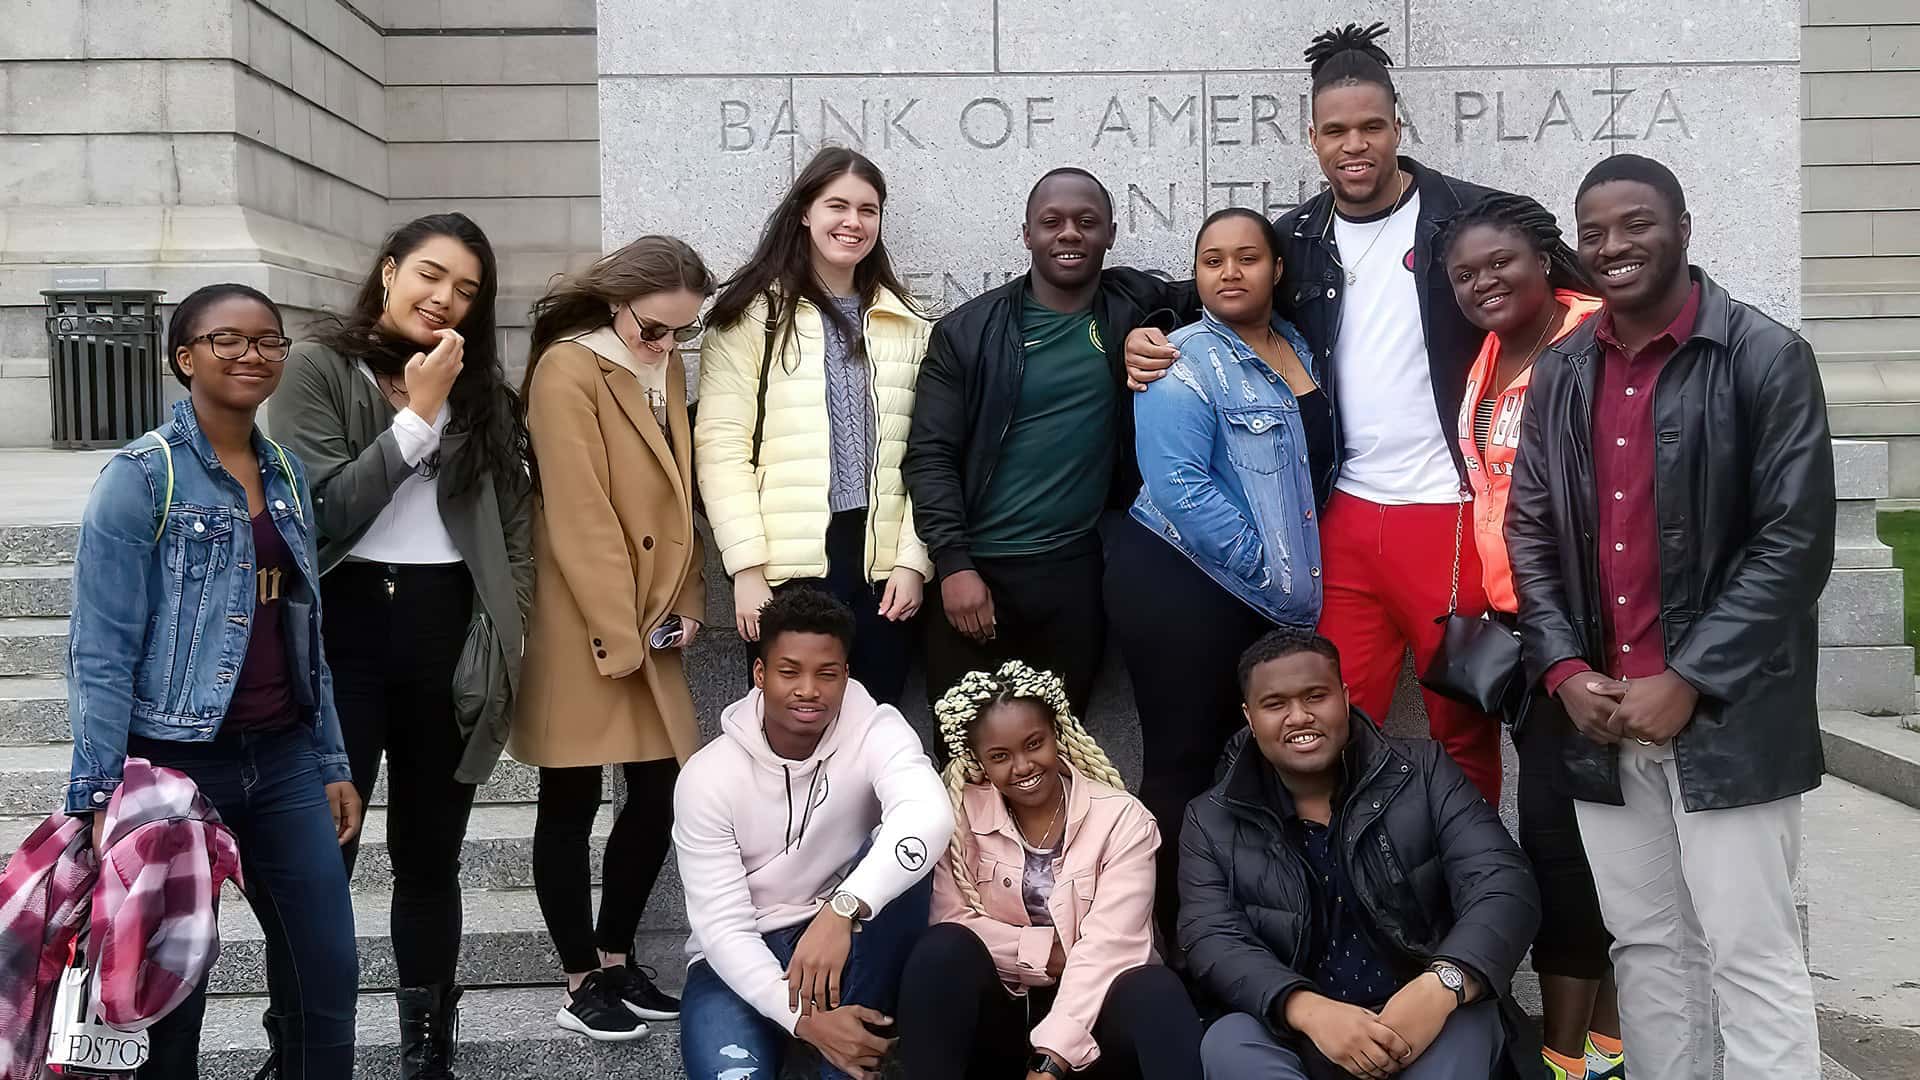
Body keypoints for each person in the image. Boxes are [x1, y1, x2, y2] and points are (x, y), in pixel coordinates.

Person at [1507, 154, 1835, 1080]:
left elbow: (1793, 545)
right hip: (1603, 722)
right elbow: (1530, 533)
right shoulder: (1565, 369)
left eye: (1636, 224)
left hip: (1729, 719)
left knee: (1751, 954)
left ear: (1683, 229)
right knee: (1647, 949)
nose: (1613, 246)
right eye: (1595, 230)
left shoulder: (1766, 358)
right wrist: (1565, 672)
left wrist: (1689, 678)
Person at [1124, 22, 1506, 803]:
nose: (1354, 145)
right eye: (1335, 130)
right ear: (1312, 138)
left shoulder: (1473, 219)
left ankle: (1468, 900)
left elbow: (1566, 308)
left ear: (1399, 126)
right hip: (1341, 521)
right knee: (1329, 724)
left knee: (1462, 724)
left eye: (1371, 127)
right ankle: (1346, 902)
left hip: (1454, 516)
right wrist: (1138, 334)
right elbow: (1215, 292)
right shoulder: (1298, 236)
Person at [66, 283, 360, 1077]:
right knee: (171, 996)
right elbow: (100, 649)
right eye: (226, 340)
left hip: (286, 756)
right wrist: (98, 795)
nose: (250, 355)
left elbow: (307, 629)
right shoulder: (142, 476)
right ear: (184, 357)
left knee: (327, 971)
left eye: (268, 340)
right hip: (172, 766)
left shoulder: (288, 474)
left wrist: (332, 760)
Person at [272, 212, 533, 1078]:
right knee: (319, 861)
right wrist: (416, 418)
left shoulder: (487, 390)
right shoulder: (317, 368)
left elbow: (516, 527)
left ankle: (427, 1047)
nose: (445, 298)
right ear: (388, 273)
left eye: (467, 289)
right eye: (430, 274)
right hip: (341, 633)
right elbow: (320, 514)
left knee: (431, 857)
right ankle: (304, 1045)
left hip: (446, 633)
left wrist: (511, 620)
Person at [1110, 206, 1331, 946]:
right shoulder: (1182, 357)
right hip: (1183, 579)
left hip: (1263, 593)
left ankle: (1249, 938)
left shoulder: (1297, 343)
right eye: (1212, 260)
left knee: (1248, 764)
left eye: (1247, 258)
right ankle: (1170, 946)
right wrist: (1270, 569)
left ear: (1276, 269)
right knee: (1183, 760)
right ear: (1195, 272)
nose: (1230, 272)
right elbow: (1179, 486)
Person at [1181, 630, 1542, 1080]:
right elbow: (1210, 935)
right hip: (1299, 1030)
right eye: (1275, 705)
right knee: (1229, 1043)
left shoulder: (1423, 772)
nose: (1299, 716)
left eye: (1316, 696)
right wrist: (1306, 1009)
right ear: (1249, 718)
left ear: (1346, 698)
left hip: (1425, 1012)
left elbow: (1503, 882)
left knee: (1470, 1022)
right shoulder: (1210, 818)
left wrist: (1443, 984)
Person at [513, 236, 714, 1039]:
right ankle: (576, 982)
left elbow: (680, 490)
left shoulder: (658, 362)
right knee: (570, 794)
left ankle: (616, 955)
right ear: (617, 300)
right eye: (656, 328)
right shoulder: (567, 367)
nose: (667, 345)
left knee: (663, 788)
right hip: (583, 617)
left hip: (655, 611)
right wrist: (615, 629)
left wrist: (691, 594)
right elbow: (579, 510)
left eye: (682, 333)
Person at [1442, 193, 1620, 1080]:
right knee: (1573, 836)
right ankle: (1600, 1045)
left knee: (1564, 838)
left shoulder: (1590, 338)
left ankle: (1570, 1053)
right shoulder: (1490, 351)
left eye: (1500, 263)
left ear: (1545, 257)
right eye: (1465, 274)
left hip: (1591, 630)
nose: (1484, 282)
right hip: (1525, 629)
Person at [906, 167, 1174, 715]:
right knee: (964, 758)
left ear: (1111, 234)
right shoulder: (966, 333)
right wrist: (954, 564)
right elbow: (930, 454)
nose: (1069, 233)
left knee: (1064, 749)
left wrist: (1161, 325)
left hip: (1073, 573)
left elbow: (1227, 287)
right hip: (977, 574)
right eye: (1052, 222)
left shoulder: (1131, 305)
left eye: (1086, 222)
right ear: (1027, 235)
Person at [674, 588, 954, 1080]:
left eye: (827, 674)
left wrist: (843, 908)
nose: (809, 689)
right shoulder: (706, 777)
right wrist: (804, 1020)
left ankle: (840, 1058)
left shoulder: (875, 729)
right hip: (742, 960)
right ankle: (821, 1043)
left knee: (900, 861)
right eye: (789, 672)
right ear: (760, 674)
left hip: (847, 943)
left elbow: (928, 815)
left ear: (846, 675)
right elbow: (722, 929)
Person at [697, 146, 932, 706]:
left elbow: (928, 451)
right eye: (837, 206)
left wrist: (913, 561)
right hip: (787, 565)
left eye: (868, 210)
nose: (853, 223)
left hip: (879, 567)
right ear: (805, 211)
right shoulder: (753, 315)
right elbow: (721, 447)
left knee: (874, 725)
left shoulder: (908, 322)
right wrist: (747, 571)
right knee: (790, 726)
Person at [897, 661, 1203, 1080]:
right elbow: (953, 919)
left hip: (1096, 1017)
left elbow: (1113, 945)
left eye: (1034, 743)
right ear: (980, 761)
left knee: (1157, 991)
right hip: (1007, 1008)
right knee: (941, 951)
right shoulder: (959, 817)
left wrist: (1051, 1058)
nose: (1022, 766)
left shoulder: (1122, 819)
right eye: (1000, 756)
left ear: (1057, 735)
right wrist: (1047, 953)